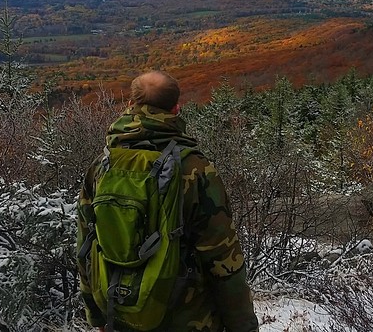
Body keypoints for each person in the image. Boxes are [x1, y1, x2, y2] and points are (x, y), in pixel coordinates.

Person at [77, 71, 259, 332]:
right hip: (186, 319)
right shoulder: (195, 169)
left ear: (130, 106)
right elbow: (223, 259)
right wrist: (243, 326)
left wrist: (97, 316)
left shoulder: (101, 167)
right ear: (176, 109)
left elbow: (85, 247)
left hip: (120, 313)